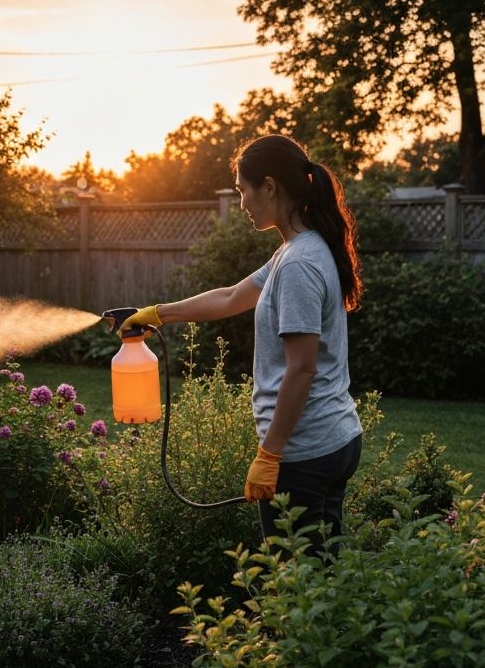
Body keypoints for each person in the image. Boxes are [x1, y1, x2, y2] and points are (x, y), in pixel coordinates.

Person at [120, 134, 363, 551]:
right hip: (329, 440)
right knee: (322, 576)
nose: (242, 202)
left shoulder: (299, 264)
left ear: (269, 186)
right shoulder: (295, 250)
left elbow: (301, 369)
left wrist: (270, 455)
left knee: (299, 584)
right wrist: (160, 313)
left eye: (242, 191)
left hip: (304, 452)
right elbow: (232, 297)